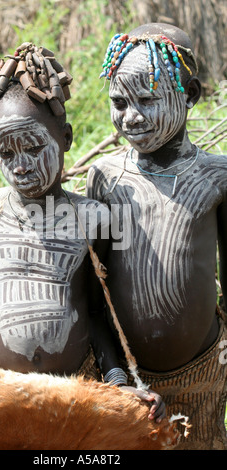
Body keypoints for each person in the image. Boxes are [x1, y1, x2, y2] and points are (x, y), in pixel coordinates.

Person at [0, 42, 165, 421]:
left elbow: (96, 309)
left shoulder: (93, 218)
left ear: (66, 139)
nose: (20, 166)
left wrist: (119, 382)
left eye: (35, 147)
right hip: (1, 395)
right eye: (6, 153)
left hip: (74, 393)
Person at [86, 23, 227, 450]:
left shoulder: (216, 176)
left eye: (147, 99)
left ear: (191, 95)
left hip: (205, 373)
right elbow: (95, 288)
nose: (131, 116)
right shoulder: (108, 178)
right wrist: (113, 373)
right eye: (118, 101)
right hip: (130, 379)